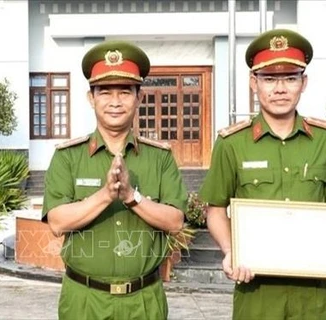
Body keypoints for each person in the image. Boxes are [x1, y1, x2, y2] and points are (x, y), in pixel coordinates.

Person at [42, 40, 187, 319]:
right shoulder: (68, 157)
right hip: (83, 301)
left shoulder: (160, 158)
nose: (115, 102)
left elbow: (175, 221)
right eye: (105, 92)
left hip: (144, 301)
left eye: (125, 92)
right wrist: (105, 196)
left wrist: (132, 197)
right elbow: (57, 222)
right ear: (91, 98)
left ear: (139, 97)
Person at [199, 28, 326, 319]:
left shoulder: (324, 141)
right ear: (253, 83)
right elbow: (216, 208)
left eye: (290, 78)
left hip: (317, 295)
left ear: (303, 83)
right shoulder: (231, 144)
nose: (280, 89)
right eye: (269, 78)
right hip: (255, 292)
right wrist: (232, 250)